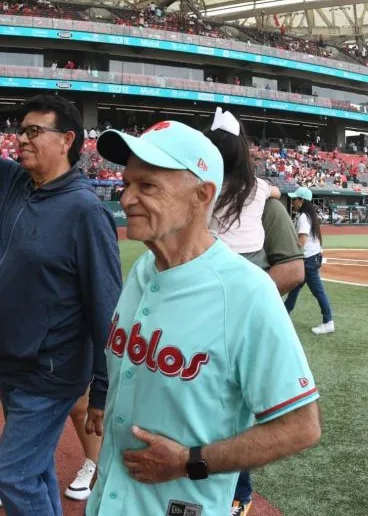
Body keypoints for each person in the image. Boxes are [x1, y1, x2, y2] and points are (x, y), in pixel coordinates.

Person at [86, 120, 321, 516]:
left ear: (201, 195)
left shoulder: (246, 292)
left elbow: (301, 427)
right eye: (126, 184)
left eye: (147, 187)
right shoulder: (145, 268)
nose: (126, 199)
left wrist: (188, 461)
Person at [0, 56, 122, 515]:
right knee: (37, 469)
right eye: (20, 130)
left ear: (67, 141)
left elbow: (107, 306)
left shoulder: (85, 211)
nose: (21, 139)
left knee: (14, 474)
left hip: (52, 370)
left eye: (34, 131)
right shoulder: (9, 181)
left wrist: (101, 390)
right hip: (10, 361)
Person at [205, 109, 303, 516]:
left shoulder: (201, 188)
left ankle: (237, 494)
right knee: (221, 408)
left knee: (230, 408)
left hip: (225, 308)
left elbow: (293, 270)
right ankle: (234, 495)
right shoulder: (260, 189)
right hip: (222, 296)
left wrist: (245, 300)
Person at [206, 108, 280, 270]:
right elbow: (277, 192)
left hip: (214, 257)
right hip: (254, 260)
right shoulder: (258, 185)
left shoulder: (204, 186)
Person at [283, 187, 335, 334]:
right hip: (313, 257)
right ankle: (284, 314)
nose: (293, 202)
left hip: (309, 260)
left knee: (318, 291)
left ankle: (328, 321)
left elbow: (302, 240)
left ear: (302, 200)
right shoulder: (309, 215)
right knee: (295, 287)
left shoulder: (303, 217)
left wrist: (289, 252)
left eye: (295, 199)